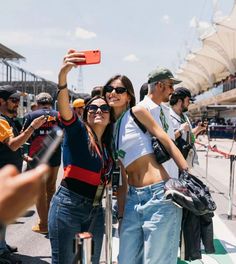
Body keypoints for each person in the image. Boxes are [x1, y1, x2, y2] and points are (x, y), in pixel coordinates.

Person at [102, 75, 188, 264]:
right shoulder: (112, 129)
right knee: (126, 259)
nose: (113, 93)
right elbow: (123, 177)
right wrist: (122, 214)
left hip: (158, 195)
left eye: (119, 90)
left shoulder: (137, 111)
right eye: (109, 89)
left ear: (129, 95)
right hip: (133, 199)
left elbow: (167, 141)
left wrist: (186, 175)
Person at [48, 49, 114, 264]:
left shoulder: (108, 144)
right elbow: (66, 110)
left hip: (95, 210)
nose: (98, 111)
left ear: (109, 115)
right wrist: (62, 78)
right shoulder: (77, 130)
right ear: (85, 113)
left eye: (104, 108)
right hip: (68, 207)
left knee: (91, 261)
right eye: (92, 107)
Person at [0, 85, 46, 264]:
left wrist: (24, 156)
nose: (17, 103)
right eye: (13, 100)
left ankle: (2, 245)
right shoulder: (1, 121)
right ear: (1, 101)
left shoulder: (8, 119)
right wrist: (32, 127)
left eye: (18, 100)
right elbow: (12, 144)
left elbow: (13, 148)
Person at [22, 92, 61, 234]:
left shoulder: (31, 115)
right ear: (51, 102)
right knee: (51, 189)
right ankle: (51, 222)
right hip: (55, 156)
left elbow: (24, 137)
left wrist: (24, 155)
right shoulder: (58, 115)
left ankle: (44, 225)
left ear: (37, 103)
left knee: (40, 192)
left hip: (36, 157)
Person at [138, 67, 181, 179]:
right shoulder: (141, 110)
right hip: (154, 181)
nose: (173, 90)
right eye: (170, 86)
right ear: (160, 85)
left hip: (171, 175)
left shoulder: (165, 110)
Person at [169, 87, 206, 167]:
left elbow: (189, 137)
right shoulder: (168, 116)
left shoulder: (184, 117)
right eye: (188, 100)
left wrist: (199, 128)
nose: (189, 103)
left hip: (188, 162)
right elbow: (166, 140)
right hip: (176, 164)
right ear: (179, 101)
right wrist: (181, 130)